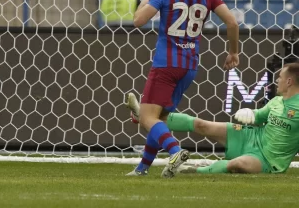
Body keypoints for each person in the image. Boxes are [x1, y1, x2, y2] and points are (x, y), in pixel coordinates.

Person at [126, 0, 240, 178]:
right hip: (189, 66)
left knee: (146, 117)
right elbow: (232, 23)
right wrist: (233, 52)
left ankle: (175, 151)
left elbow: (138, 21)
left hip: (166, 64)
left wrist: (144, 2)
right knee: (160, 119)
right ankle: (142, 168)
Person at [125, 63, 299, 175]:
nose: (277, 80)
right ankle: (145, 115)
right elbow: (259, 117)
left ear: (289, 81)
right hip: (250, 136)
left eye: (280, 77)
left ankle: (190, 171)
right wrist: (251, 113)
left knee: (237, 164)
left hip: (268, 160)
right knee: (202, 125)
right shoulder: (277, 101)